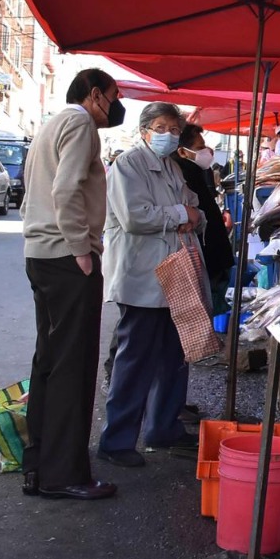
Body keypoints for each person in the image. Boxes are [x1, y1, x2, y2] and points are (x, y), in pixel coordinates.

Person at [20, 68, 122, 500]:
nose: (117, 106)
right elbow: (65, 191)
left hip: (41, 256)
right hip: (65, 256)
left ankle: (40, 464)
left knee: (50, 360)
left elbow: (35, 190)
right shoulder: (80, 123)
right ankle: (64, 474)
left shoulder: (54, 123)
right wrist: (81, 247)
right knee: (72, 366)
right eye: (114, 96)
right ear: (95, 94)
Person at [98, 103, 204, 467]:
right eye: (161, 127)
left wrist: (190, 216)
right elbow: (135, 216)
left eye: (174, 129)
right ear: (145, 131)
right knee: (135, 360)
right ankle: (116, 441)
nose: (169, 135)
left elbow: (196, 209)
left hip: (176, 274)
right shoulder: (129, 164)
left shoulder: (174, 168)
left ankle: (163, 428)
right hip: (142, 276)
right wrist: (181, 216)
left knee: (175, 356)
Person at [173, 123, 235, 316]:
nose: (206, 151)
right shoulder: (183, 174)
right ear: (183, 152)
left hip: (214, 250)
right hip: (206, 253)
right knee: (206, 306)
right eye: (200, 148)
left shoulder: (197, 171)